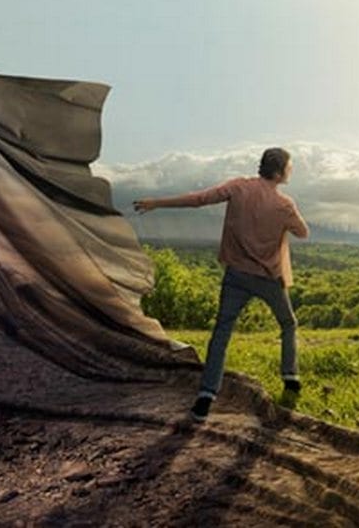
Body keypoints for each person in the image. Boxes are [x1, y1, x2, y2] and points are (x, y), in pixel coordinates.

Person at [133, 147, 310, 422]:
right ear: (278, 172)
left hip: (236, 276)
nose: (291, 170)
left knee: (221, 333)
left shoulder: (238, 187)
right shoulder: (284, 204)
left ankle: (205, 396)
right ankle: (290, 376)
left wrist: (157, 202)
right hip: (268, 279)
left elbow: (199, 199)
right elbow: (303, 232)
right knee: (288, 324)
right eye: (290, 166)